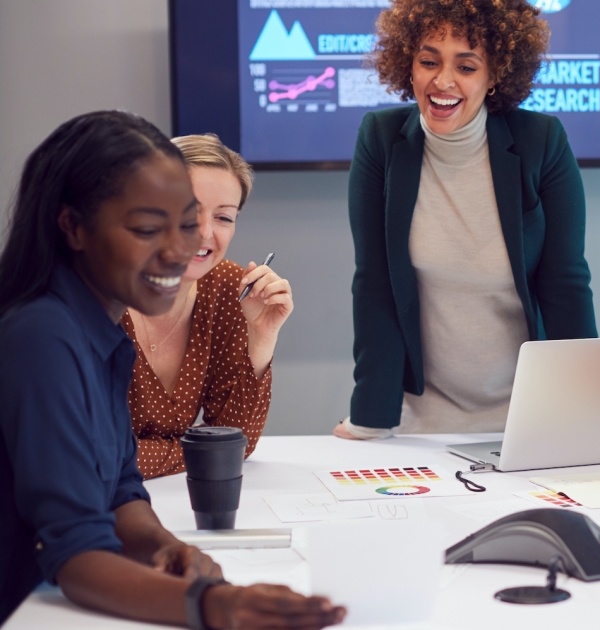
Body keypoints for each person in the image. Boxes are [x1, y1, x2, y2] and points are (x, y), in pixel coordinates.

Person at [0, 111, 343, 627]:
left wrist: (165, 546)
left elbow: (118, 488)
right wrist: (214, 606)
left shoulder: (101, 323)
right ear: (73, 227)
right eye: (146, 227)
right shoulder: (44, 332)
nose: (182, 247)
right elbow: (73, 551)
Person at [337, 0, 597, 439]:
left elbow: (566, 287)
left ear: (495, 74)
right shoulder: (380, 140)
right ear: (408, 64)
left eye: (467, 66)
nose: (443, 81)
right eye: (428, 61)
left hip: (527, 417)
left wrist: (590, 412)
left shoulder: (541, 142)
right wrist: (370, 418)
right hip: (421, 423)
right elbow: (375, 285)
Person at [123, 134, 292, 479]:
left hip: (165, 500)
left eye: (224, 218)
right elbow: (89, 456)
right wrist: (199, 453)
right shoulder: (96, 290)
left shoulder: (226, 287)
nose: (204, 233)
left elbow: (235, 443)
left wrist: (261, 337)